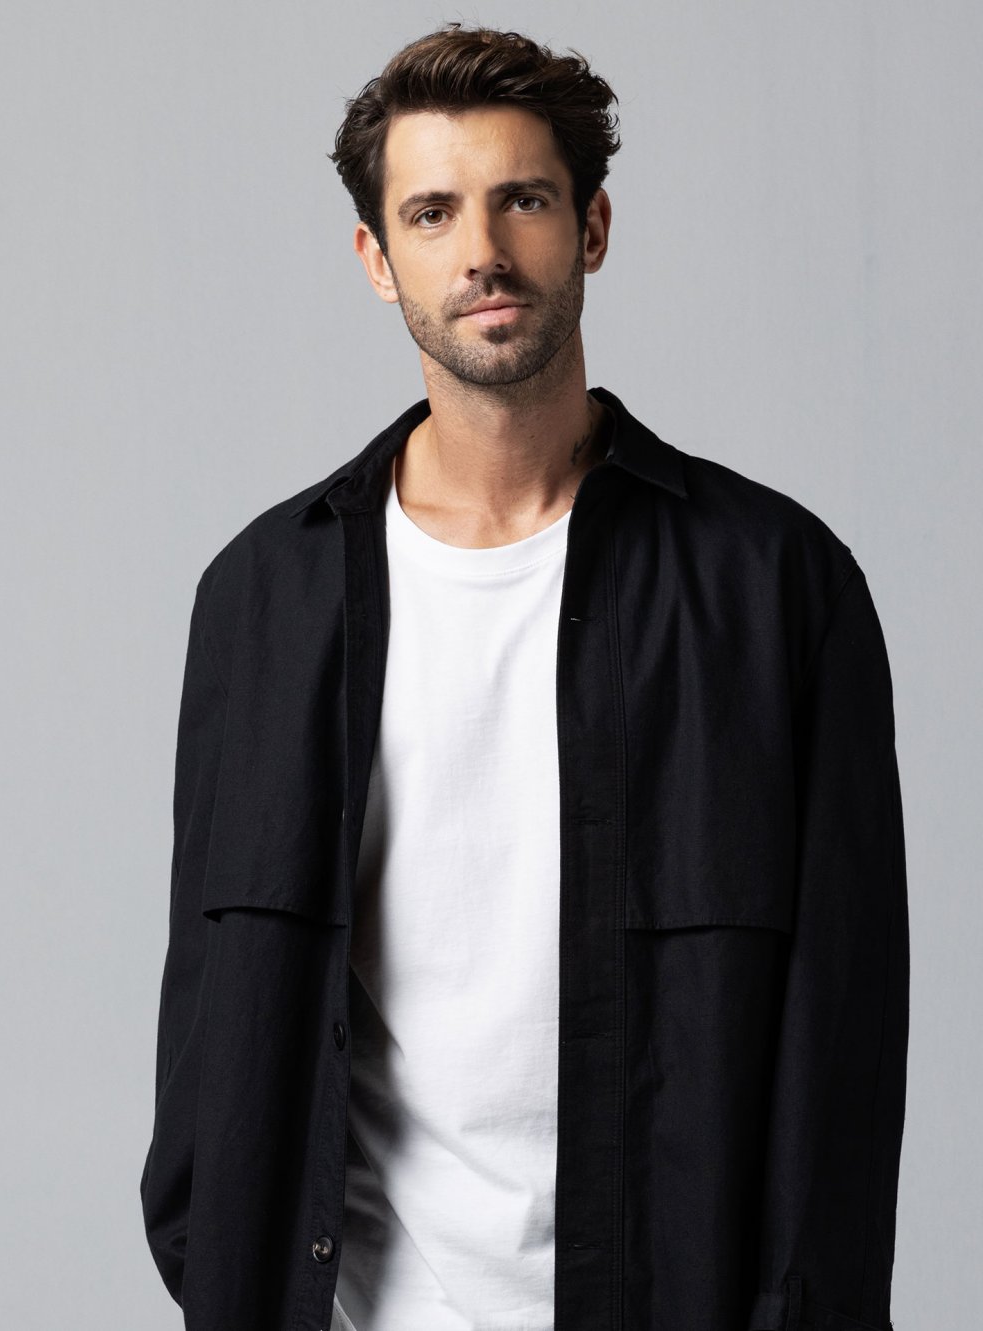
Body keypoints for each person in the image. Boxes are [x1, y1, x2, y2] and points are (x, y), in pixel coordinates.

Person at [139, 23, 909, 1331]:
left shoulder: (777, 589)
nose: (482, 251)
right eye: (432, 213)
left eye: (525, 201)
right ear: (377, 259)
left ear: (592, 228)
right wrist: (216, 1256)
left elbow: (841, 1034)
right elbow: (210, 1009)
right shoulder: (264, 598)